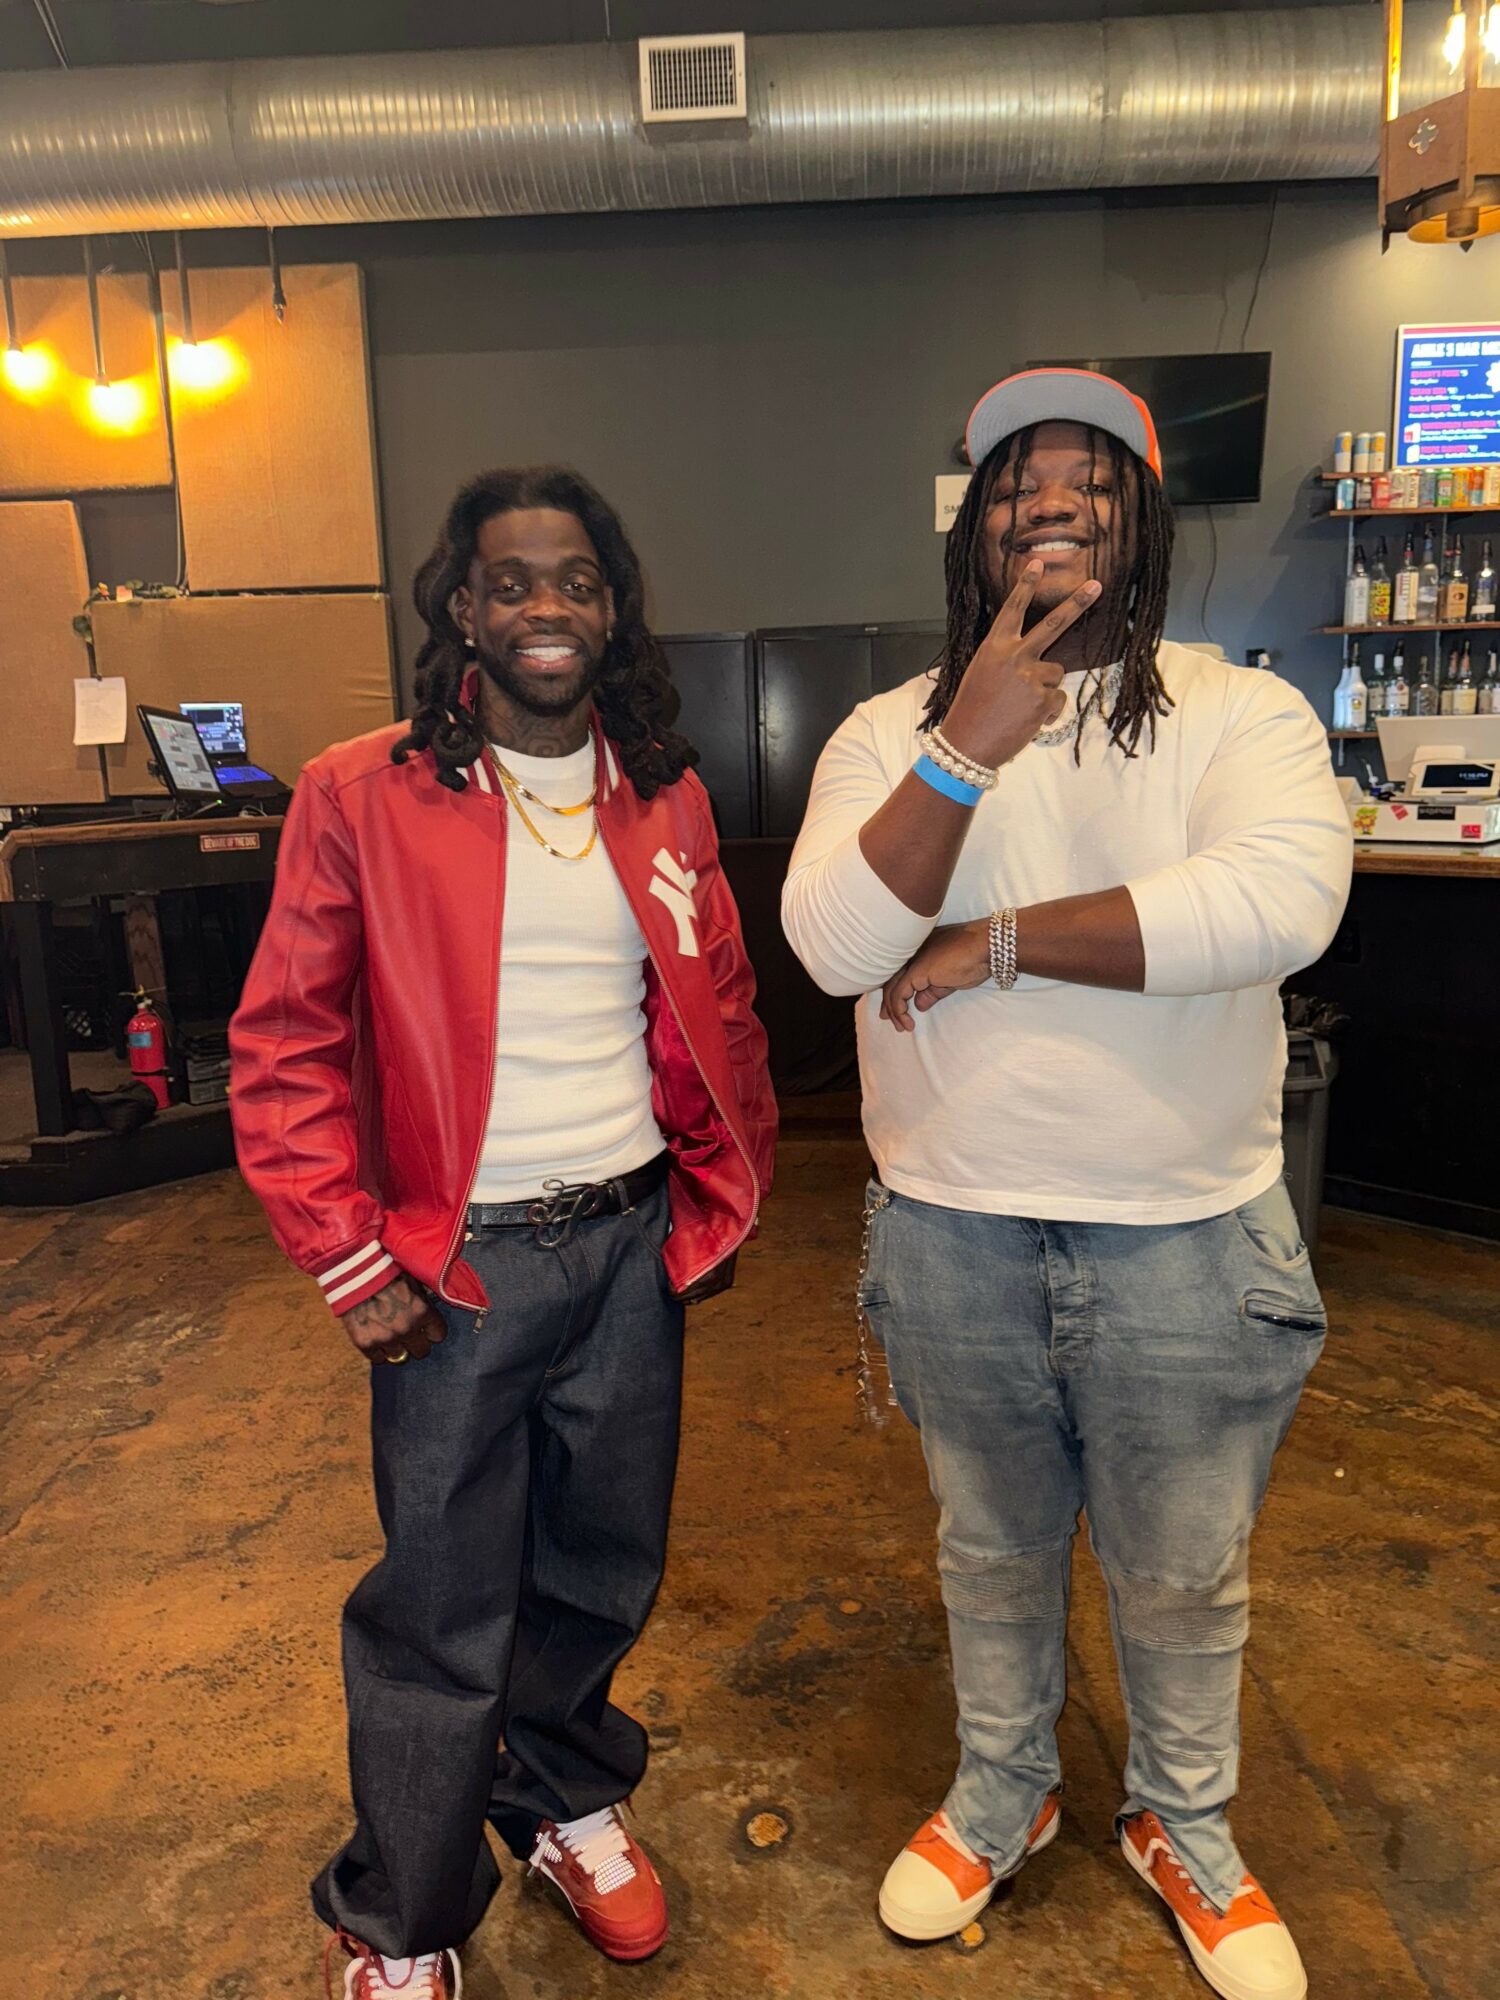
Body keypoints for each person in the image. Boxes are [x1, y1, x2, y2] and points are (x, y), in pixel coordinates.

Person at [782, 369, 1351, 2000]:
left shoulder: (1238, 710)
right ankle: (1004, 1793)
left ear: (1145, 518)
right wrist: (965, 750)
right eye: (1016, 480)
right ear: (974, 524)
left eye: (1091, 479)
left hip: (1185, 1233)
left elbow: (1278, 904)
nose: (1050, 502)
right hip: (954, 1228)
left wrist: (1004, 942)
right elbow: (831, 946)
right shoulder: (893, 734)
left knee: (1181, 1571)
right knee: (992, 1547)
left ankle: (1188, 1825)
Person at [231, 466, 776, 1999]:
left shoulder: (659, 790)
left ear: (614, 611)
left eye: (579, 581)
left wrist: (718, 1191)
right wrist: (353, 1259)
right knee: (446, 1599)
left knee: (604, 1564)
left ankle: (560, 1795)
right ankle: (402, 1917)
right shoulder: (363, 792)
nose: (550, 608)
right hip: (452, 1265)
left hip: (624, 1251)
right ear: (462, 610)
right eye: (515, 582)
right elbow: (280, 1044)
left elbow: (717, 1003)